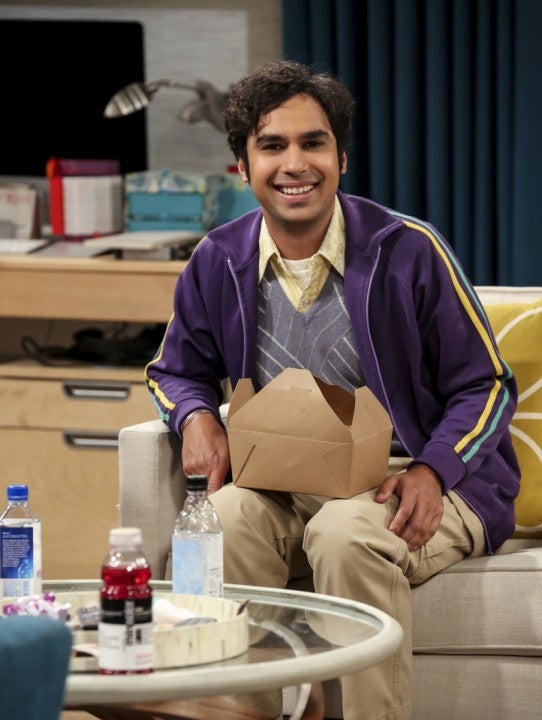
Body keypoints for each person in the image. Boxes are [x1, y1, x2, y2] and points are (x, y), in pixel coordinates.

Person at [146, 60, 520, 720]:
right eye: (272, 146)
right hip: (283, 481)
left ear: (341, 158)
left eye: (313, 143)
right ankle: (252, 711)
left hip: (417, 478)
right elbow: (174, 369)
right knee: (224, 522)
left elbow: (486, 384)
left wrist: (434, 471)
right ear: (243, 166)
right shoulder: (216, 259)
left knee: (345, 534)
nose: (295, 164)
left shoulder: (410, 250)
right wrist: (197, 417)